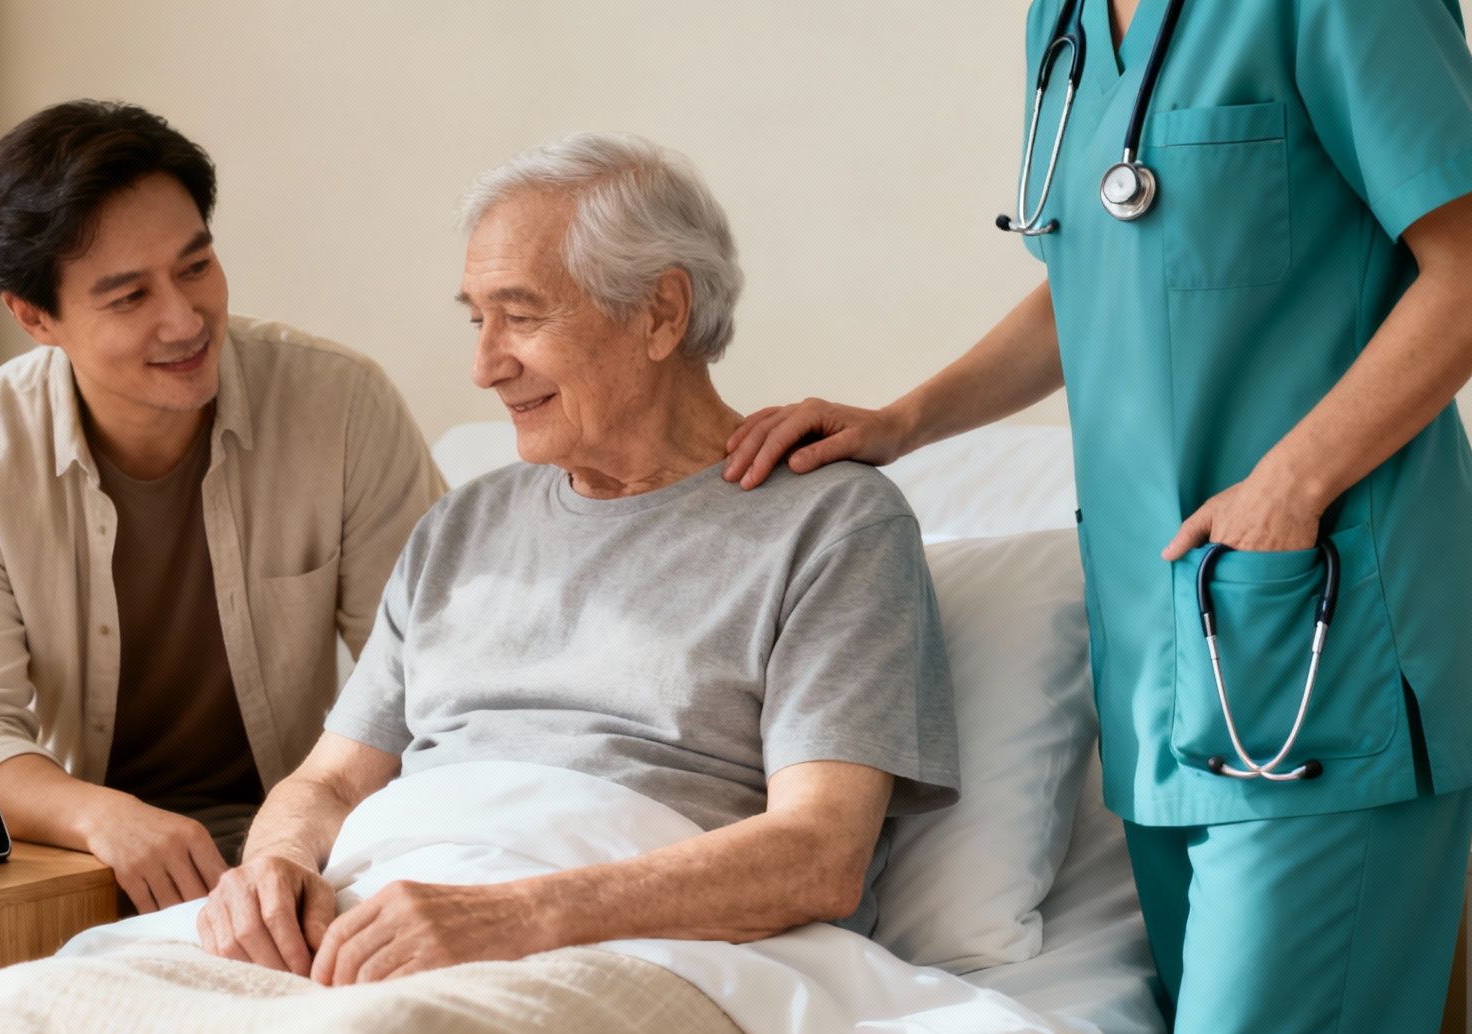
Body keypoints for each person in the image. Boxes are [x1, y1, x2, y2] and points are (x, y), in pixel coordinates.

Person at [722, 1, 1472, 1034]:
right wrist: (903, 421)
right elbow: (1092, 274)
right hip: (1166, 663)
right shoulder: (1061, 22)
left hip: (1331, 645)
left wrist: (1289, 484)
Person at [196, 132, 959, 984]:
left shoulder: (833, 523)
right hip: (374, 919)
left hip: (616, 949)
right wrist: (270, 869)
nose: (485, 365)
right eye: (477, 319)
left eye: (520, 317)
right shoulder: (461, 527)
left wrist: (513, 915)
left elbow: (819, 853)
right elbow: (330, 785)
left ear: (662, 313)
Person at [0, 101, 445, 911]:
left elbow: (428, 681)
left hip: (312, 838)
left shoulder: (341, 406)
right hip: (78, 852)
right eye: (128, 297)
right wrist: (104, 820)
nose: (186, 321)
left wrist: (297, 834)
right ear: (33, 316)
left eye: (195, 267)